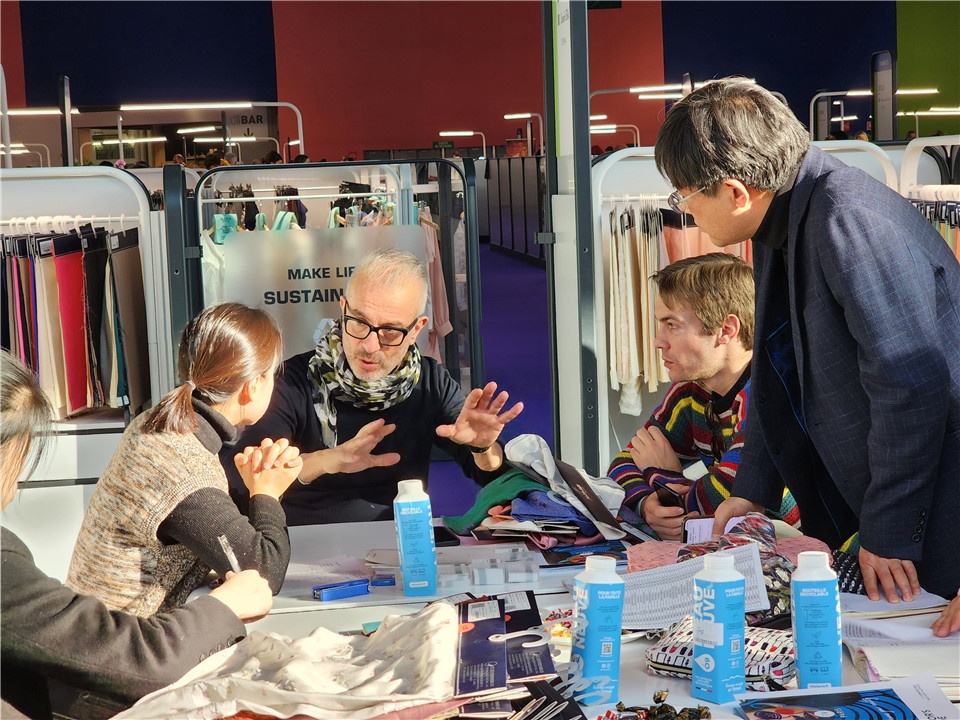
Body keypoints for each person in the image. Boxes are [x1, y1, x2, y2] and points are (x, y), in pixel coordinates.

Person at [654, 78, 960, 602]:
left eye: (684, 196)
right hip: (901, 490)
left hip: (938, 494)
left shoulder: (846, 220)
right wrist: (754, 487)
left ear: (735, 192)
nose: (687, 212)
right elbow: (779, 367)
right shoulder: (788, 211)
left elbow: (909, 387)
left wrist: (889, 529)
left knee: (926, 644)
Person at [0, 349, 274, 719]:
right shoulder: (179, 457)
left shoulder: (153, 426)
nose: (18, 481)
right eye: (20, 457)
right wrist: (225, 606)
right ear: (252, 384)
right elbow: (133, 658)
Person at [223, 248, 524, 525]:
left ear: (416, 329)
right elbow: (240, 475)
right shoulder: (294, 380)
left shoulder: (430, 383)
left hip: (401, 538)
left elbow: (492, 476)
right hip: (302, 539)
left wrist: (482, 448)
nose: (369, 345)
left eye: (390, 331)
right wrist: (327, 461)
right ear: (343, 309)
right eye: (359, 322)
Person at [66, 303, 303, 616]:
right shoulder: (183, 470)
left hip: (96, 620)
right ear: (253, 387)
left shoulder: (159, 422)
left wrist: (256, 486)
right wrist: (267, 493)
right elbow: (263, 576)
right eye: (272, 374)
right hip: (121, 635)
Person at [607, 253, 799, 541]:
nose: (658, 341)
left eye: (672, 325)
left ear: (726, 330)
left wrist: (661, 475)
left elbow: (729, 496)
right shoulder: (691, 391)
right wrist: (647, 505)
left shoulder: (768, 394)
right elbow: (623, 463)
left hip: (812, 551)